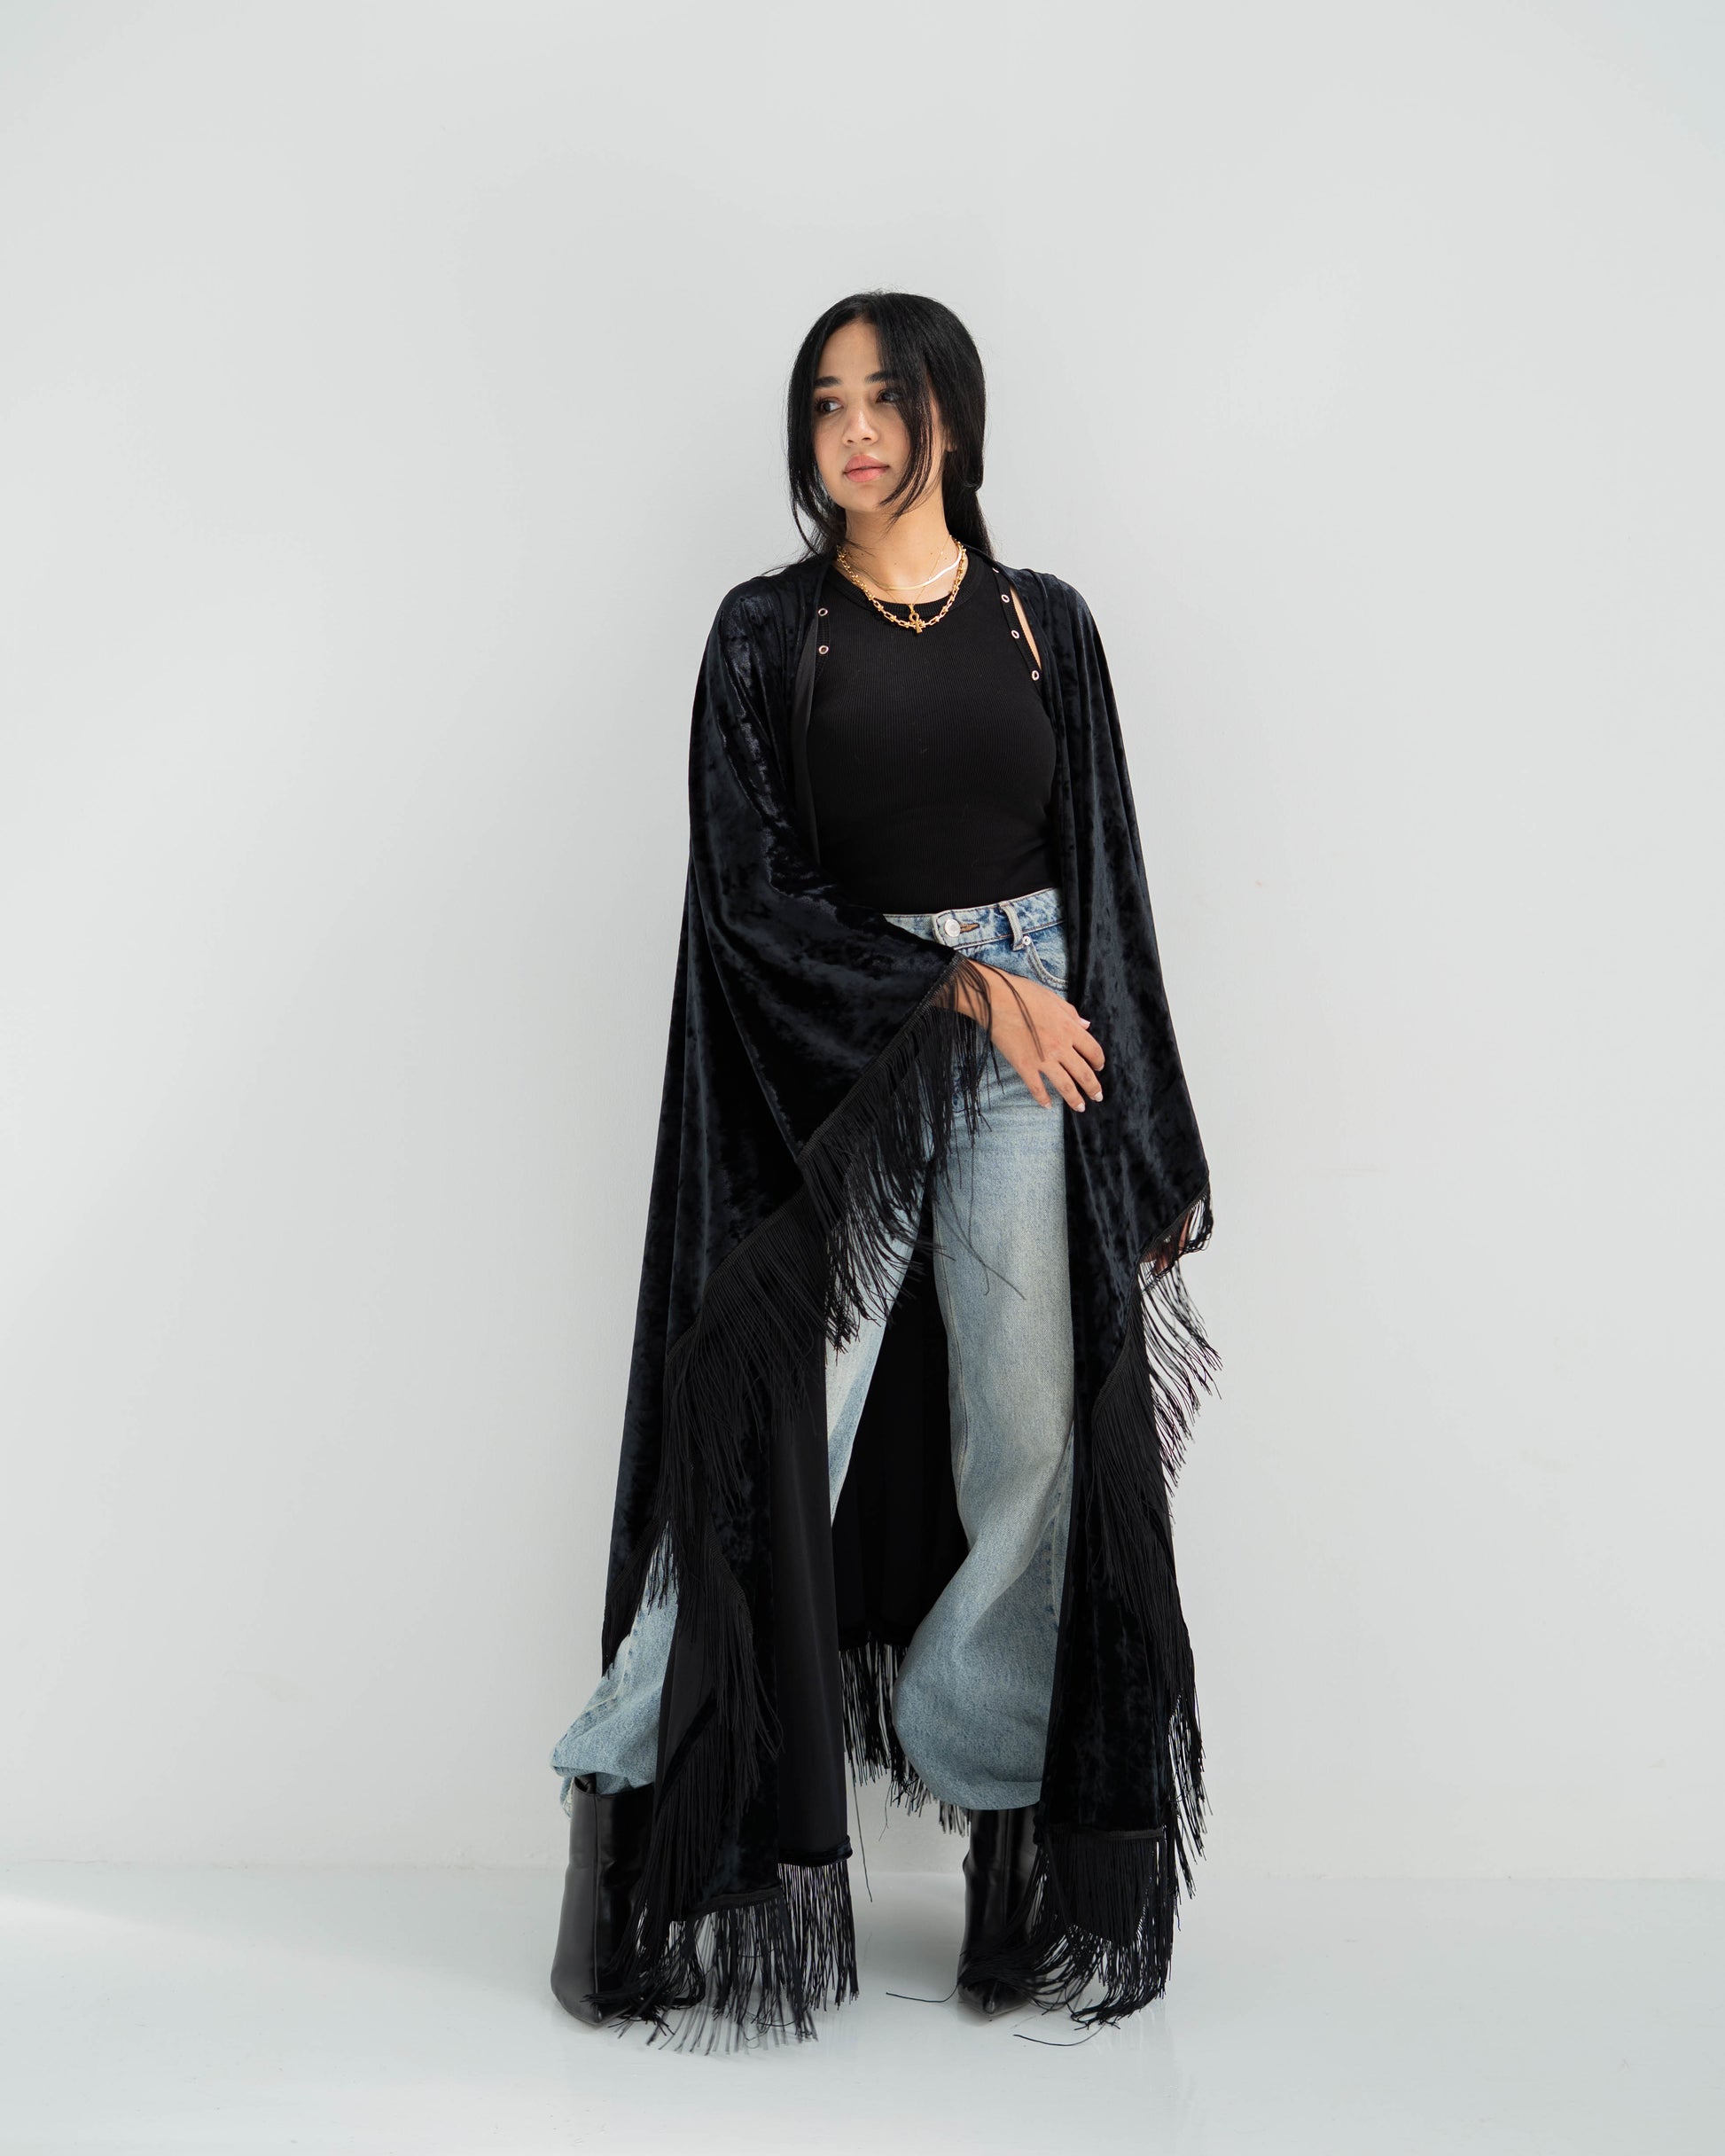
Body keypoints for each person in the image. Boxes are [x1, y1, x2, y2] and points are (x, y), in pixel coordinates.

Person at [547, 291, 1216, 2051]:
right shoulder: (769, 633)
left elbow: (1108, 877)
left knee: (1033, 1448)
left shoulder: (1041, 623)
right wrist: (957, 991)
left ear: (949, 419)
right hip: (840, 1060)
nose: (852, 430)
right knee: (773, 1437)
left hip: (1034, 1045)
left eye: (885, 398)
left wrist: (1147, 1129)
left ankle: (1000, 1821)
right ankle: (623, 1823)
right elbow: (746, 896)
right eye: (825, 402)